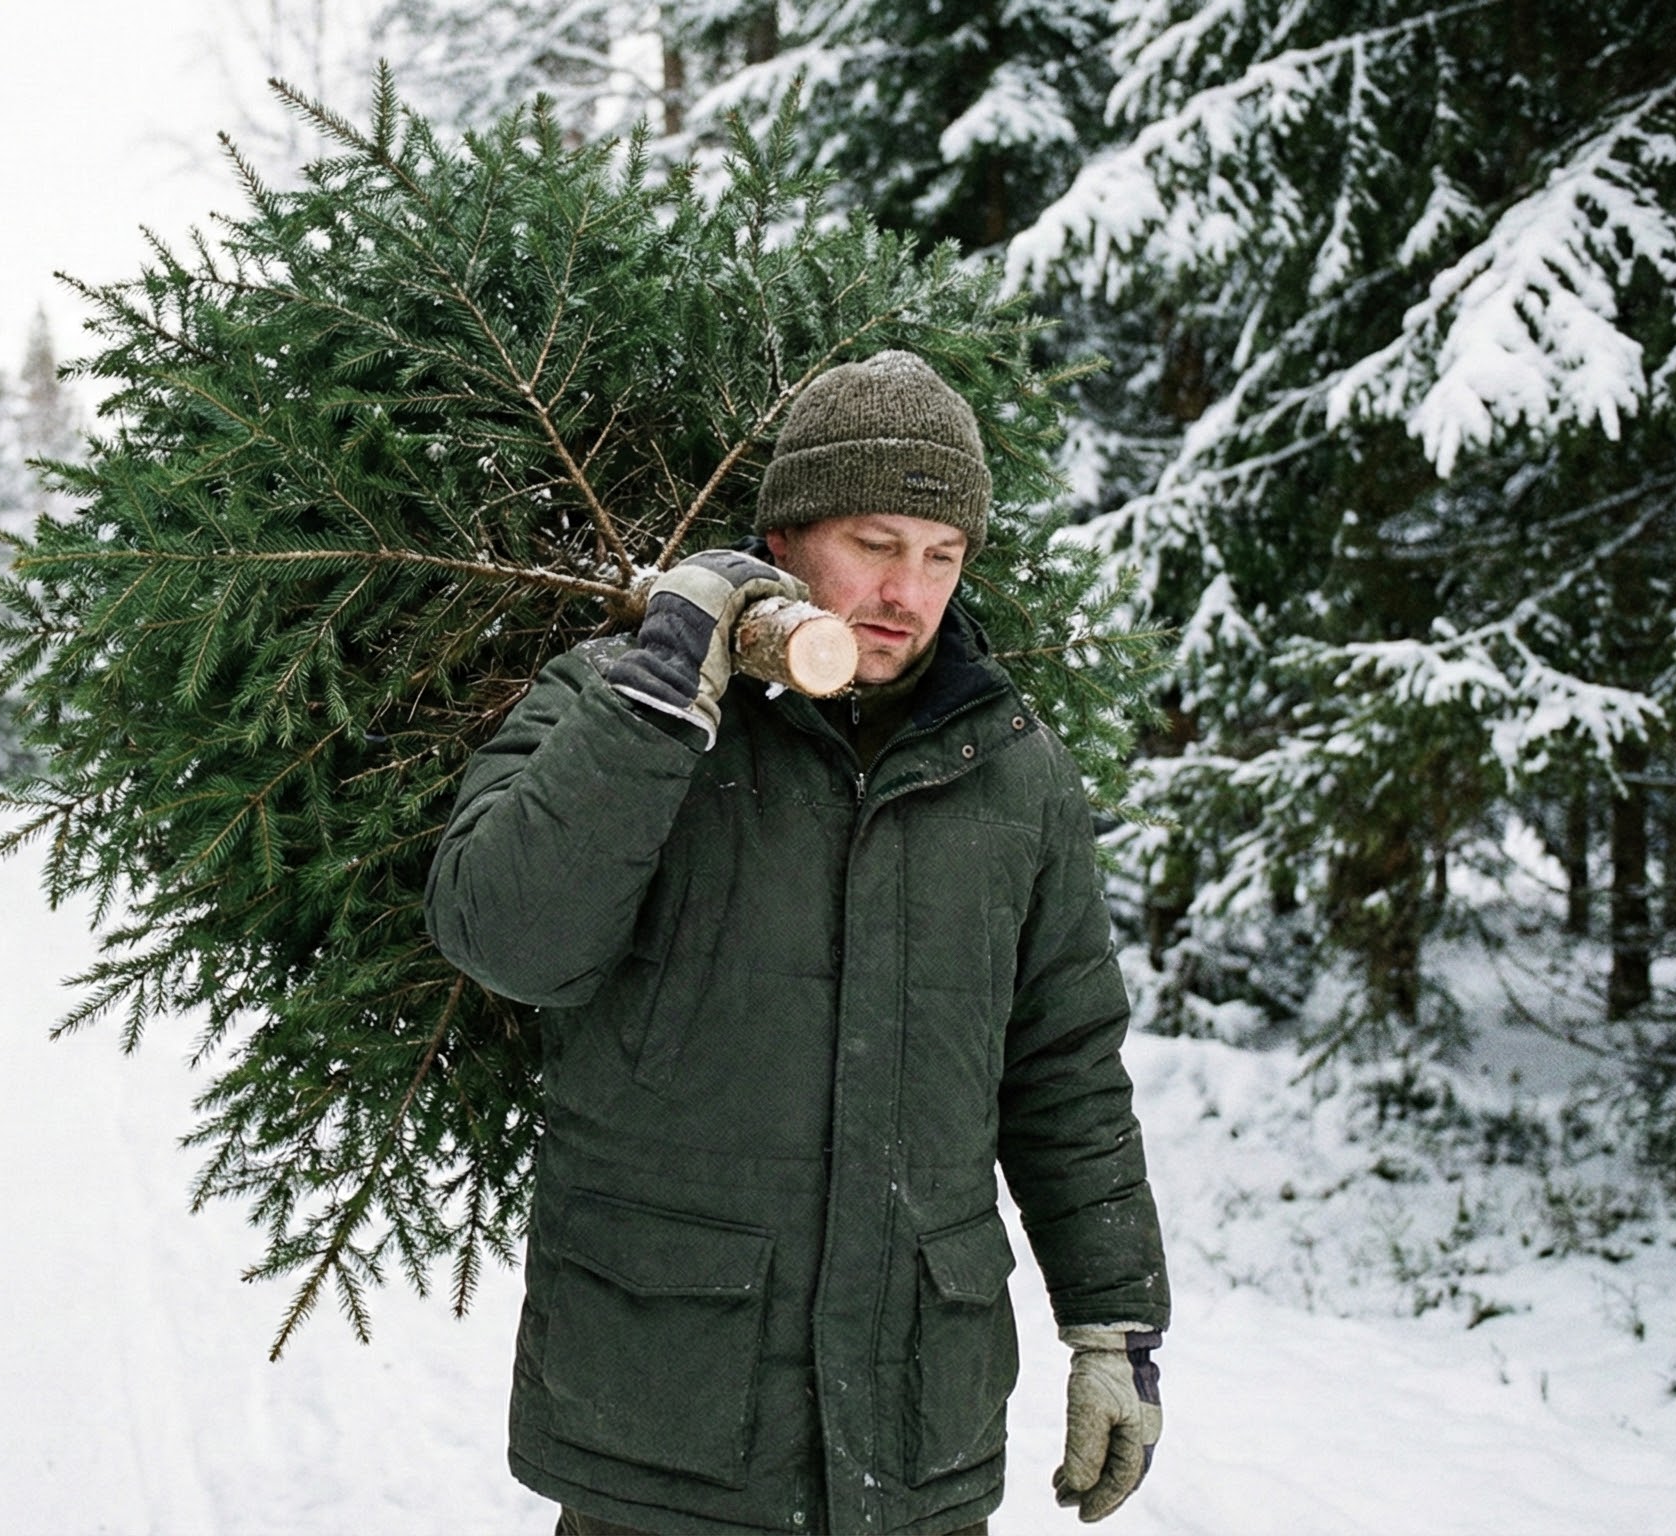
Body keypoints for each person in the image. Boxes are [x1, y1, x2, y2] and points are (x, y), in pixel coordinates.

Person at [426, 351, 1168, 1536]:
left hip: (914, 1433)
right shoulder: (619, 701)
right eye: (875, 544)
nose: (906, 592)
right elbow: (509, 940)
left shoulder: (1011, 770)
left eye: (942, 555)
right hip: (665, 1428)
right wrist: (659, 698)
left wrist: (1112, 1326)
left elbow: (1063, 1069)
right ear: (784, 538)